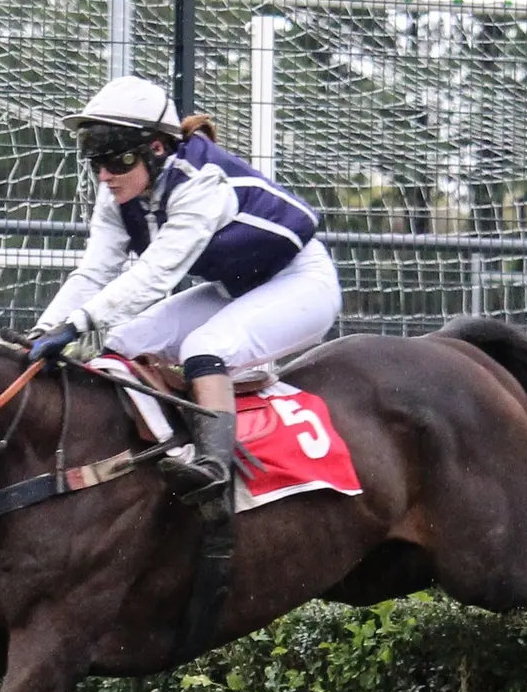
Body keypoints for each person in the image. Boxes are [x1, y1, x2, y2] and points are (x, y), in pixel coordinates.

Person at [26, 75, 341, 519]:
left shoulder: (201, 183)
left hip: (301, 283)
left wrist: (75, 326)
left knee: (203, 349)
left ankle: (213, 470)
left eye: (115, 159)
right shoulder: (116, 193)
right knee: (121, 343)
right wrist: (42, 329)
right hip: (235, 289)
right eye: (95, 160)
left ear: (156, 149)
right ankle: (156, 456)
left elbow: (155, 275)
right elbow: (94, 271)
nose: (104, 174)